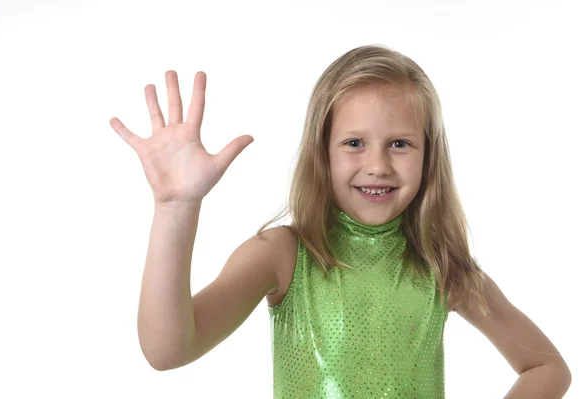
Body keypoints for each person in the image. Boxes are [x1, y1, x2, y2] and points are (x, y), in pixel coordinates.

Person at [110, 45, 572, 398]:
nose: (378, 165)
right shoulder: (283, 255)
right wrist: (176, 208)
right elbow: (167, 350)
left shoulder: (441, 267)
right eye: (354, 143)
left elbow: (548, 369)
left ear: (429, 156)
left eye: (400, 144)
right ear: (322, 153)